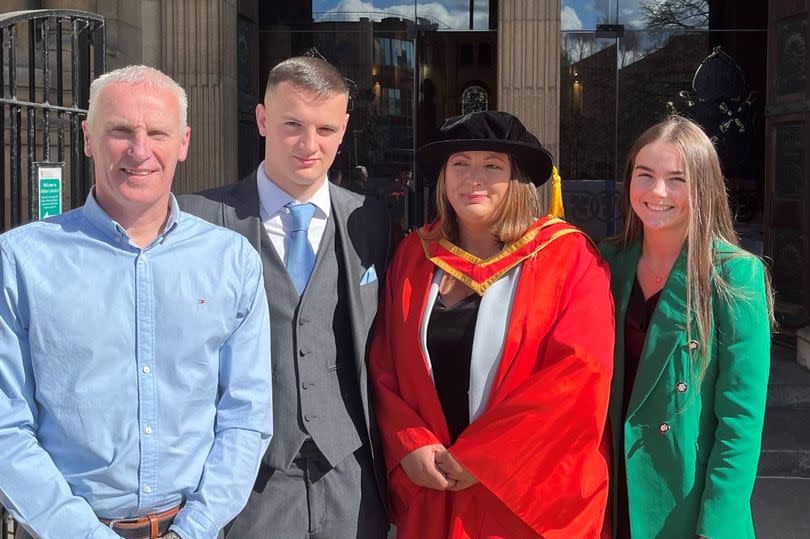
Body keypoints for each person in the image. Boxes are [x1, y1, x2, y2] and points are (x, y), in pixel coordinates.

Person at [0, 65, 273, 539]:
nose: (140, 151)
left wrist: (196, 528)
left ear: (183, 142)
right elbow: (5, 427)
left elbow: (246, 419)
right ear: (88, 137)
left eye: (157, 133)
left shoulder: (232, 262)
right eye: (120, 131)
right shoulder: (21, 261)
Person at [370, 110, 614, 538]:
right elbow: (384, 363)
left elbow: (579, 376)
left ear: (517, 178)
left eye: (492, 166)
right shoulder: (415, 256)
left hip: (521, 503)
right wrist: (408, 443)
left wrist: (485, 458)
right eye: (459, 163)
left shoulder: (569, 258)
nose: (473, 178)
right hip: (435, 490)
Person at [179, 56, 390, 539]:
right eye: (293, 124)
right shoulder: (200, 219)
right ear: (262, 120)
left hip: (352, 480)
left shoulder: (370, 222)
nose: (309, 145)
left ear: (344, 130)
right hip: (247, 485)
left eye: (325, 128)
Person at [599, 116, 773, 539]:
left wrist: (718, 524)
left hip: (685, 500)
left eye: (677, 179)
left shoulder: (734, 275)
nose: (658, 193)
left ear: (704, 188)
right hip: (609, 491)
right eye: (646, 176)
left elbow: (740, 421)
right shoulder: (605, 262)